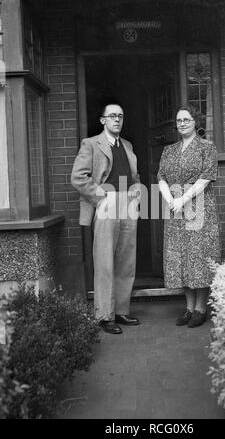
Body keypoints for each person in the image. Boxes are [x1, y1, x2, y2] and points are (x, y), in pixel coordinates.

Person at [71, 103, 141, 334]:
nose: (117, 120)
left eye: (120, 116)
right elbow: (78, 177)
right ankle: (104, 315)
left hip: (128, 205)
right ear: (102, 120)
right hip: (106, 202)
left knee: (126, 260)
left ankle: (121, 311)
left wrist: (137, 192)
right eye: (112, 116)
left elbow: (135, 176)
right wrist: (101, 197)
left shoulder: (128, 145)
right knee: (104, 261)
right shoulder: (91, 144)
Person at [157, 104, 220, 327]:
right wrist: (170, 200)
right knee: (182, 256)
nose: (182, 124)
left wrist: (183, 199)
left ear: (196, 122)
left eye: (187, 120)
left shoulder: (206, 148)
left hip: (199, 207)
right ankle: (189, 307)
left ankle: (201, 308)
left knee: (199, 255)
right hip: (175, 209)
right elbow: (162, 177)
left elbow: (206, 177)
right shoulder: (169, 150)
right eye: (179, 120)